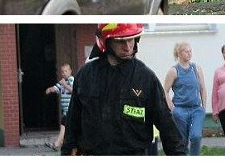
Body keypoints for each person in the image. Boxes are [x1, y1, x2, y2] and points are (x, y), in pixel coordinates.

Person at [62, 23, 186, 156]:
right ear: (106, 42)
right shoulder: (85, 75)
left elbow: (166, 124)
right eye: (120, 41)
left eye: (131, 39)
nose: (127, 47)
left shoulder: (145, 77)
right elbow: (72, 121)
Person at [164, 42, 207, 155]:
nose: (189, 53)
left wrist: (204, 107)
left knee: (196, 136)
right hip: (180, 110)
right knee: (182, 141)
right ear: (179, 53)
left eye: (190, 51)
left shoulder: (196, 68)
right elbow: (165, 91)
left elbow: (203, 88)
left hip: (196, 109)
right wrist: (172, 108)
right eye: (186, 51)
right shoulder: (174, 71)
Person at [44, 62, 74, 151]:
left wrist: (64, 84)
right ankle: (60, 144)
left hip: (71, 109)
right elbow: (56, 88)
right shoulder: (62, 82)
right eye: (62, 71)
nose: (64, 73)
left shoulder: (71, 79)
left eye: (66, 71)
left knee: (64, 126)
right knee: (65, 127)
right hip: (66, 110)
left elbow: (73, 90)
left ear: (70, 71)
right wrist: (50, 89)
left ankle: (57, 144)